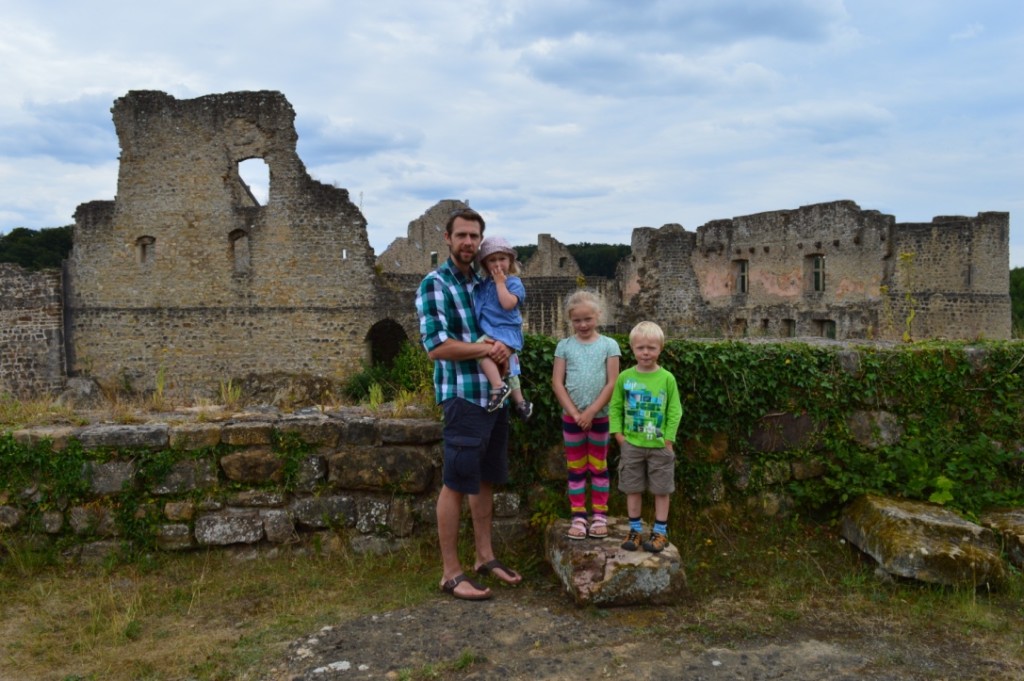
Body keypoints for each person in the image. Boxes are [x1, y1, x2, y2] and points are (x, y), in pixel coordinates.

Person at [415, 207, 523, 600]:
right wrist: (485, 347)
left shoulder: (483, 280)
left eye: (474, 237)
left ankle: (484, 557)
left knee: (485, 479)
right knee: (455, 484)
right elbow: (437, 347)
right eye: (461, 235)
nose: (468, 243)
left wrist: (500, 345)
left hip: (495, 396)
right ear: (447, 238)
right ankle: (451, 573)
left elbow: (509, 321)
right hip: (462, 396)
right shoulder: (435, 284)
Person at [551, 290, 621, 540]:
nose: (582, 325)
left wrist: (591, 411)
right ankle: (578, 516)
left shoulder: (609, 345)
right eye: (577, 320)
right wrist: (575, 413)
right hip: (572, 419)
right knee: (576, 468)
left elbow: (612, 382)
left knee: (598, 466)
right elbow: (558, 383)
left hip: (600, 417)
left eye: (587, 319)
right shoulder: (564, 346)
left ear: (598, 316)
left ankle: (600, 514)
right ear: (570, 320)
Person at [609, 321, 682, 553]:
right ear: (632, 348)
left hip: (660, 445)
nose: (646, 352)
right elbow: (615, 407)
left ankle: (660, 533)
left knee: (662, 490)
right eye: (641, 348)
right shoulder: (625, 378)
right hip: (632, 445)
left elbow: (674, 410)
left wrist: (668, 439)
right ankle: (635, 530)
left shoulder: (667, 378)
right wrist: (619, 436)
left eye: (651, 347)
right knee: (633, 488)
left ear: (660, 348)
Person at [473, 236, 533, 420]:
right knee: (511, 370)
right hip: (493, 331)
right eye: (492, 260)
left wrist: (500, 283)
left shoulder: (513, 283)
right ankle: (521, 403)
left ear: (510, 261)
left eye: (502, 259)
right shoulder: (483, 285)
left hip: (507, 332)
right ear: (485, 265)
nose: (498, 264)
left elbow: (507, 304)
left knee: (478, 348)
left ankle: (498, 387)